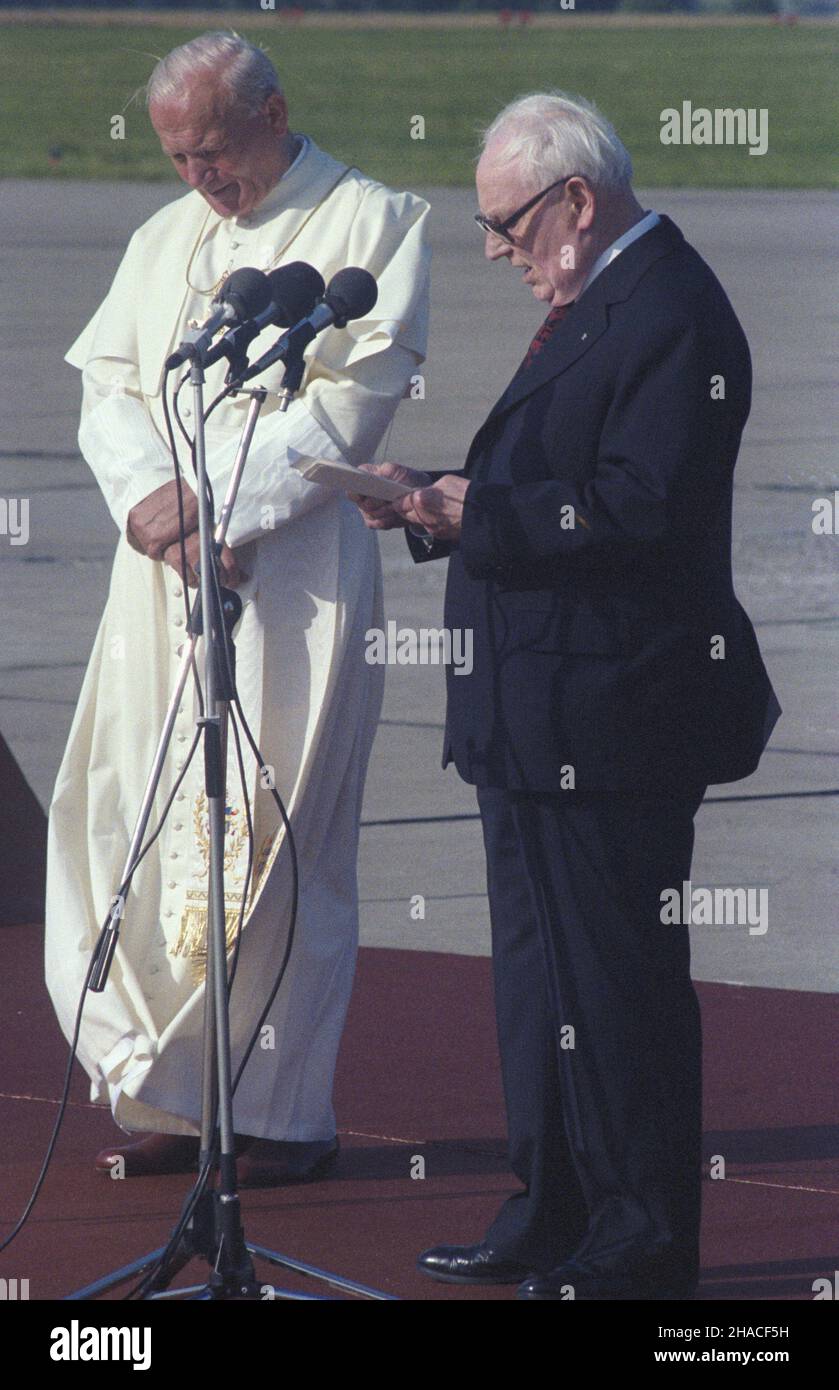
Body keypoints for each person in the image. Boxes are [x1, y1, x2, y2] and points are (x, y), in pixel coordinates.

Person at [353, 92, 780, 1299]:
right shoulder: (597, 301)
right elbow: (553, 481)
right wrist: (435, 493)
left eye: (504, 224)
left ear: (574, 202)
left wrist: (465, 510)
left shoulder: (670, 312)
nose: (493, 249)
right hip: (529, 717)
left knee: (616, 988)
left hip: (613, 717)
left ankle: (640, 1241)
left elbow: (638, 507)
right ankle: (552, 1209)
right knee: (539, 984)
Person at [45, 31, 429, 1185]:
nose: (201, 178)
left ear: (272, 111)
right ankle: (167, 1087)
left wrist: (213, 511)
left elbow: (348, 408)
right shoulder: (167, 236)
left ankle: (275, 1112)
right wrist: (152, 507)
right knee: (136, 812)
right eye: (177, 157)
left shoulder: (373, 221)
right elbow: (110, 391)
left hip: (290, 577)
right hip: (159, 571)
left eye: (215, 150)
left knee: (276, 834)